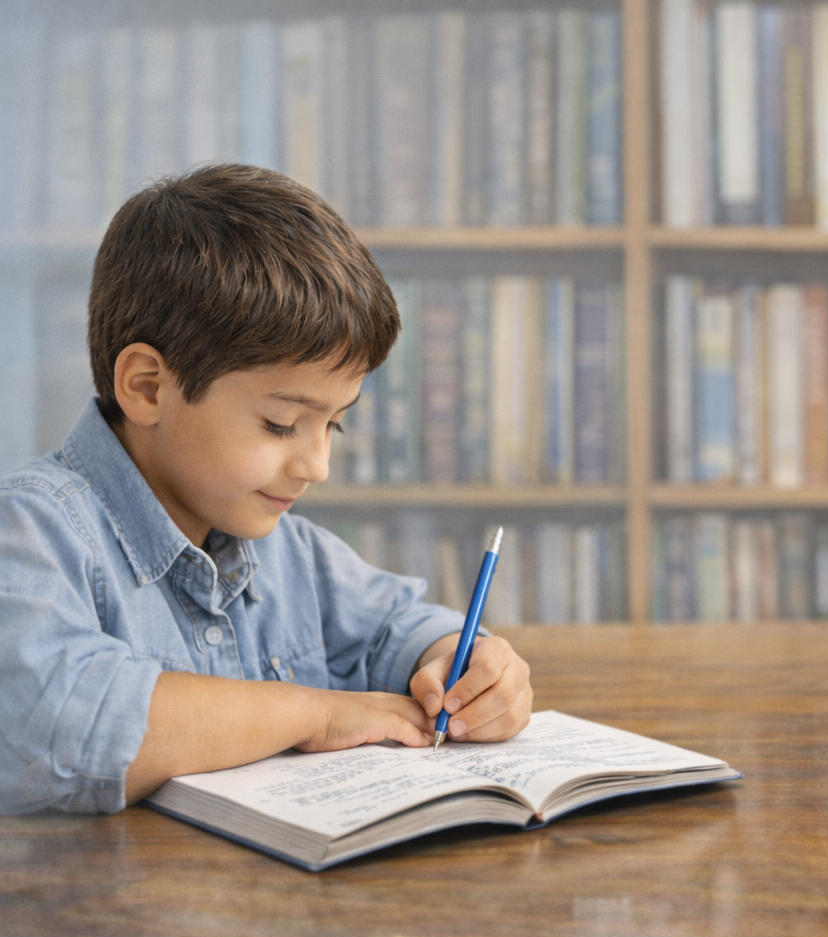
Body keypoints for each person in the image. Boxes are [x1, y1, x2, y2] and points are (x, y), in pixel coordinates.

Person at [0, 164, 532, 814]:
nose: (317, 464)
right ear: (146, 387)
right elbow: (62, 720)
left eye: (333, 424)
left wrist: (466, 662)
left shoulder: (290, 554)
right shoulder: (33, 531)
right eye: (282, 424)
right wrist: (313, 715)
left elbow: (396, 626)